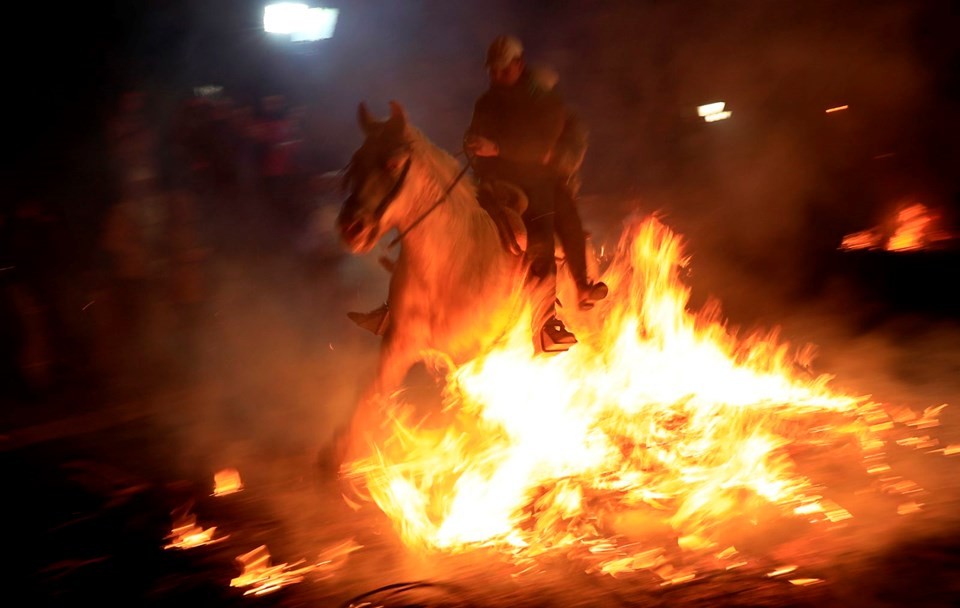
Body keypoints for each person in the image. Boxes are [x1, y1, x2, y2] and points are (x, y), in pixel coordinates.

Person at [463, 34, 607, 352]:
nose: (497, 76)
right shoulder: (485, 103)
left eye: (503, 69)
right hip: (494, 181)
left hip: (537, 180)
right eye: (493, 70)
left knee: (546, 231)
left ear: (519, 64)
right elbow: (477, 135)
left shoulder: (544, 99)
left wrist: (497, 148)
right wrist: (475, 147)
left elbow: (543, 146)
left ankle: (548, 320)